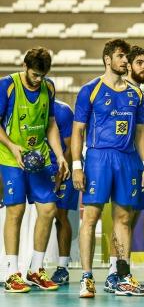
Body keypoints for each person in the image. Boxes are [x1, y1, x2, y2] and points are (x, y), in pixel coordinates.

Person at [72, 39, 144, 298]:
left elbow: (141, 133)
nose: (124, 61)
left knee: (124, 219)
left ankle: (122, 276)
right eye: (120, 56)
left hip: (128, 160)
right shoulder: (90, 90)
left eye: (126, 57)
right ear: (108, 59)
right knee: (91, 217)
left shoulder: (136, 94)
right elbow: (78, 131)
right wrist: (77, 165)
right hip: (98, 158)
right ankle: (86, 278)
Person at [0, 47, 69, 293]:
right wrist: (12, 146)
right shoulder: (7, 86)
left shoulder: (48, 87)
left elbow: (50, 123)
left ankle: (36, 270)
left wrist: (60, 155)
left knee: (49, 209)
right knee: (15, 211)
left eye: (42, 75)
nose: (38, 79)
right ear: (25, 67)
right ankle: (11, 273)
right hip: (11, 158)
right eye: (35, 74)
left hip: (39, 158)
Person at [104, 45, 144, 295]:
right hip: (124, 163)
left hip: (138, 164)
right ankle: (116, 274)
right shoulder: (123, 92)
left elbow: (142, 134)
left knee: (129, 222)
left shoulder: (139, 95)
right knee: (122, 219)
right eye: (139, 63)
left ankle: (117, 272)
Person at [49, 99, 80, 285]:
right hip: (42, 166)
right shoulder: (31, 108)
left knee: (61, 215)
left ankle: (62, 268)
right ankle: (33, 266)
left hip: (64, 166)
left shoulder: (63, 111)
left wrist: (60, 176)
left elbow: (70, 147)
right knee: (41, 216)